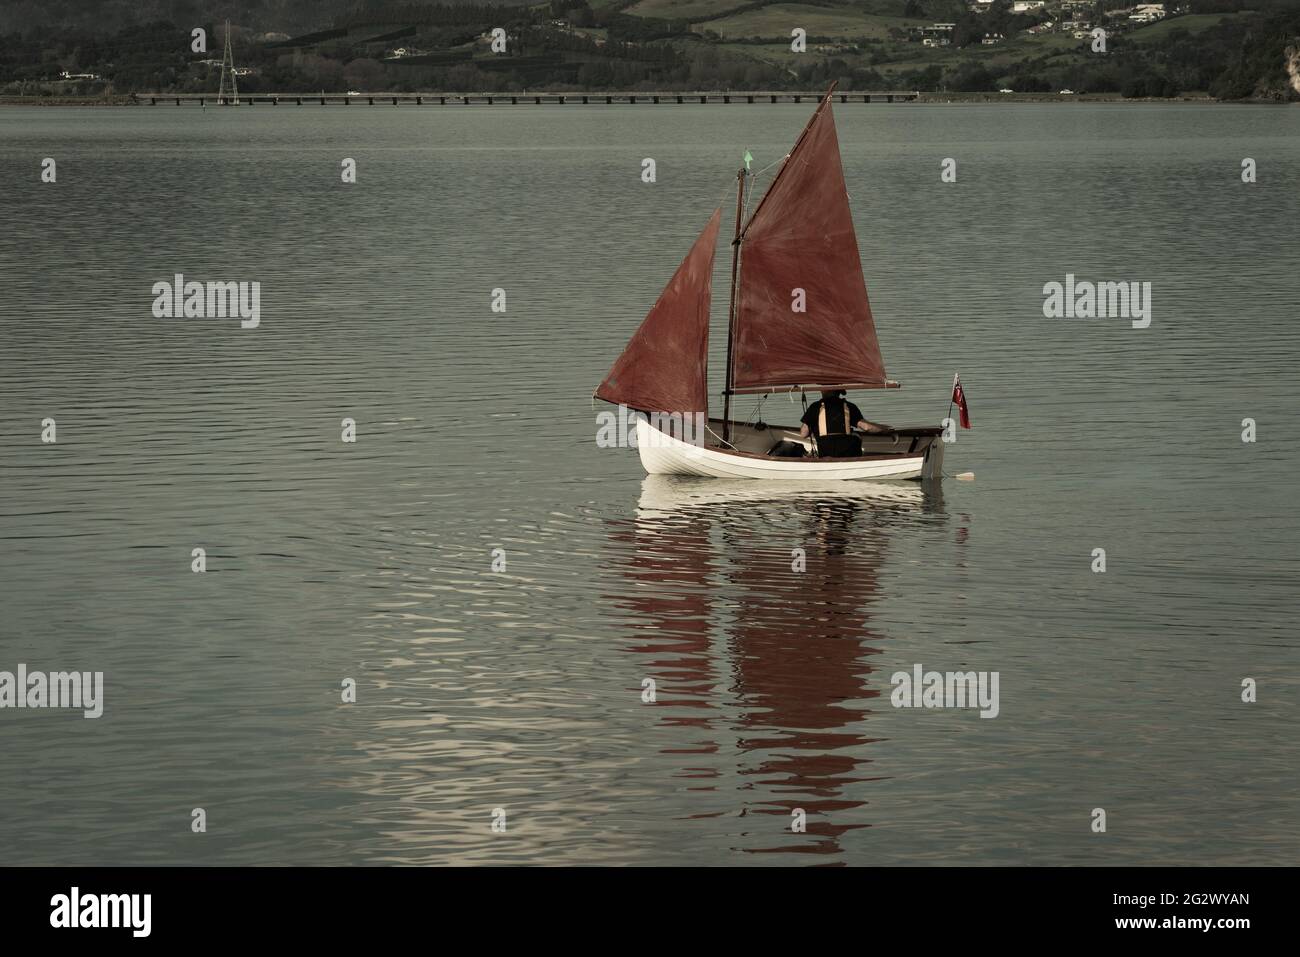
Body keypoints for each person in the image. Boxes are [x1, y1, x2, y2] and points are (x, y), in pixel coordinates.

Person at [798, 390, 891, 457]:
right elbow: (866, 427)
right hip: (847, 453)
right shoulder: (849, 406)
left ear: (825, 391)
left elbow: (803, 434)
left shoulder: (815, 407)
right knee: (856, 436)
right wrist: (883, 428)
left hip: (825, 453)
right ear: (839, 392)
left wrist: (811, 423)